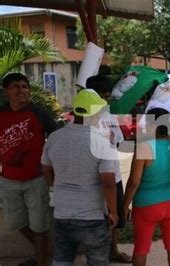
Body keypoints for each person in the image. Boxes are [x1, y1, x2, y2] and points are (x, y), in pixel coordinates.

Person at [41, 89, 118, 265]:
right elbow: (108, 182)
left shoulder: (54, 137)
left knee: (62, 259)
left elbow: (45, 169)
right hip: (92, 215)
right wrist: (113, 211)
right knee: (97, 261)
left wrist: (56, 186)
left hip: (62, 212)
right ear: (95, 112)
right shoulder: (101, 141)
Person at [0, 73, 57, 266]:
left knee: (40, 225)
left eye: (24, 86)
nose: (21, 90)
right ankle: (45, 255)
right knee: (16, 222)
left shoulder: (40, 114)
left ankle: (41, 262)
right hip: (8, 179)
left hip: (37, 178)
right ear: (6, 91)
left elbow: (57, 138)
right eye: (15, 86)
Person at [123, 107, 170, 266]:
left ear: (153, 125)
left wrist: (124, 205)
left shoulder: (144, 147)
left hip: (147, 205)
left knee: (141, 248)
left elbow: (134, 182)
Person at [86, 75, 132, 263]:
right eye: (102, 95)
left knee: (115, 217)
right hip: (91, 179)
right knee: (95, 219)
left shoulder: (109, 115)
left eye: (107, 96)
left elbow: (118, 141)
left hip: (114, 174)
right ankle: (97, 254)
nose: (106, 100)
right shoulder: (82, 118)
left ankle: (113, 250)